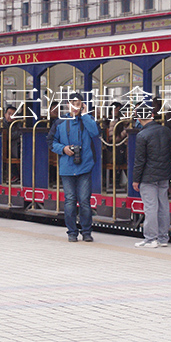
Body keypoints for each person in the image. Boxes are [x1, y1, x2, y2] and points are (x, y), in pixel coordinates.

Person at [51, 92, 100, 242]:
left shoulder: (88, 120)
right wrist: (63, 149)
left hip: (85, 166)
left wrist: (85, 114)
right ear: (67, 104)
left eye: (78, 103)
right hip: (67, 167)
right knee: (70, 200)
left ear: (82, 105)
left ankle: (86, 232)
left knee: (85, 201)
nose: (75, 106)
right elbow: (51, 141)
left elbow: (95, 132)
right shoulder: (60, 122)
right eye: (72, 103)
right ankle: (72, 232)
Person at [132, 101, 171, 248]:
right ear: (152, 115)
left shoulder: (142, 135)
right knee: (163, 206)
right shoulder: (166, 131)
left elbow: (140, 160)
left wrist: (135, 180)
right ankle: (164, 238)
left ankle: (151, 239)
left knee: (150, 207)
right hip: (164, 174)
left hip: (148, 176)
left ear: (139, 118)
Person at [1, 105, 21, 183]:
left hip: (15, 146)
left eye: (13, 114)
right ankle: (13, 175)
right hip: (5, 147)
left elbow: (19, 133)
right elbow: (6, 136)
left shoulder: (18, 123)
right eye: (9, 113)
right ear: (5, 114)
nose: (11, 116)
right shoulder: (2, 123)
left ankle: (16, 175)